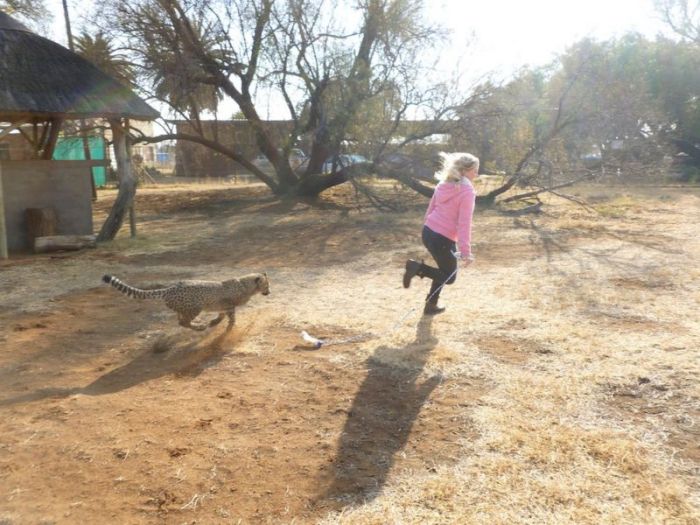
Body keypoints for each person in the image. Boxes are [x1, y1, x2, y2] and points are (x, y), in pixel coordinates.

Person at [402, 152, 478, 315]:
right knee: (449, 276)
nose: (476, 174)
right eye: (474, 170)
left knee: (443, 270)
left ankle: (431, 305)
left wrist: (427, 227)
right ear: (464, 171)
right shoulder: (467, 192)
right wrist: (465, 252)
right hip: (441, 238)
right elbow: (464, 223)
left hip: (429, 232)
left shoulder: (443, 184)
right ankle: (416, 268)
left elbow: (431, 209)